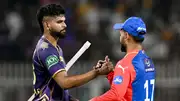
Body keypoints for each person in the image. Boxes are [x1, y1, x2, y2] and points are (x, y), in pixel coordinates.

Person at [32, 4, 113, 101]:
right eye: (59, 22)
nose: (64, 25)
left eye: (64, 21)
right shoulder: (46, 50)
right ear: (47, 25)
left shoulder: (55, 48)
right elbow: (64, 83)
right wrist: (95, 73)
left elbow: (55, 86)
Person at [89, 17, 156, 101]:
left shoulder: (125, 64)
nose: (120, 38)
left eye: (121, 34)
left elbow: (116, 95)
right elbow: (131, 90)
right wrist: (110, 74)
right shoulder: (148, 61)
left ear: (126, 36)